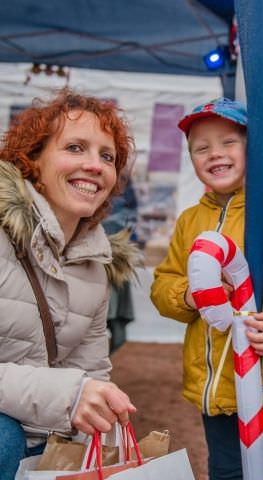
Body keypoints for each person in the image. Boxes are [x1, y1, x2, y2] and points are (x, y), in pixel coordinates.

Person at [150, 97, 263, 480]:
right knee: (226, 470)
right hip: (215, 383)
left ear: (253, 149)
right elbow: (163, 283)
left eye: (228, 143)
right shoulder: (189, 221)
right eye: (202, 148)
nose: (215, 154)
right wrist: (188, 294)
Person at [0, 88, 140, 479]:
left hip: (39, 438)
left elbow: (90, 370)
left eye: (107, 156)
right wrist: (68, 395)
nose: (95, 165)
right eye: (75, 148)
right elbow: (71, 390)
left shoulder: (95, 266)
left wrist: (102, 415)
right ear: (32, 161)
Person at [102, 176, 139, 353]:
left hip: (116, 250)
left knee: (115, 314)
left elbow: (131, 214)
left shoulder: (123, 182)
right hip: (98, 249)